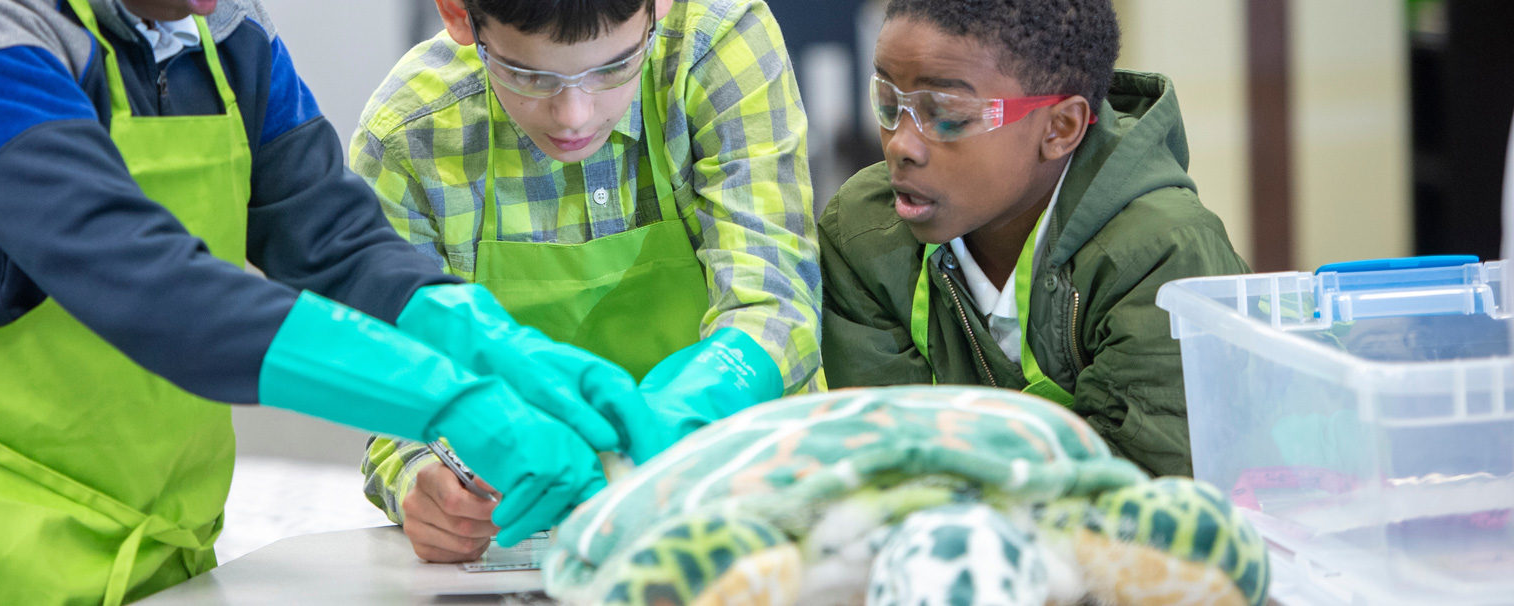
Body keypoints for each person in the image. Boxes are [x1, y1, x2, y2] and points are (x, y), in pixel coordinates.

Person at [0, 0, 672, 603]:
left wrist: (501, 347)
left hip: (160, 536)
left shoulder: (229, 33)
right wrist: (452, 399)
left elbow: (336, 239)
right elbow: (150, 286)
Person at [352, 0, 822, 563]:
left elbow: (775, 302)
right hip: (530, 537)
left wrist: (670, 418)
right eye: (529, 75)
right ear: (459, 16)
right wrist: (421, 480)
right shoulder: (410, 137)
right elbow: (397, 382)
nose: (574, 114)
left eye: (613, 68)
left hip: (742, 496)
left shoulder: (717, 43)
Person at [818, 0, 1249, 478]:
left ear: (1060, 128)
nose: (900, 144)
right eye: (888, 102)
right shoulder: (862, 234)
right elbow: (883, 463)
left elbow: (1139, 494)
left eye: (945, 113)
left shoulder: (1163, 255)